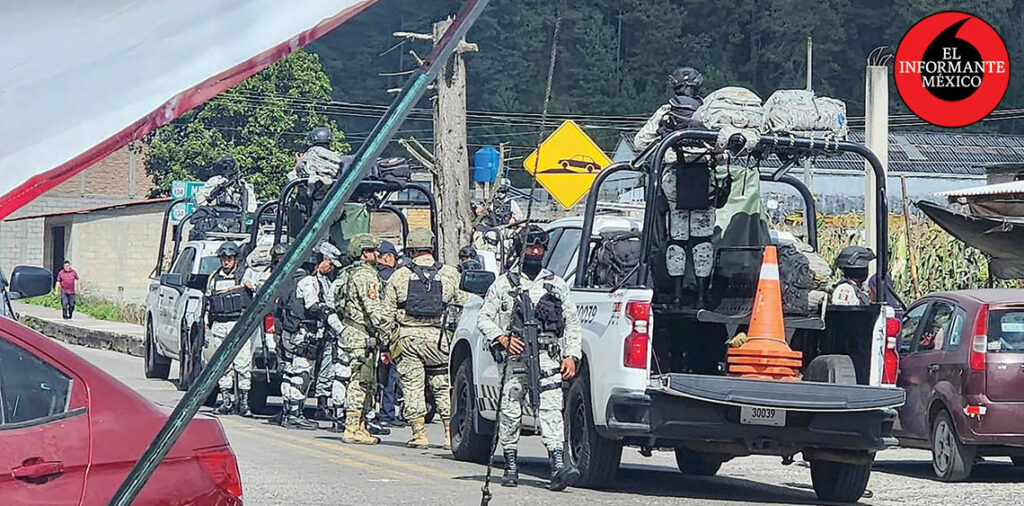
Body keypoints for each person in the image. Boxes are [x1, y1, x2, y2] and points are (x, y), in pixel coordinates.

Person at [476, 225, 582, 491]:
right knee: (510, 412)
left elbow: (572, 322)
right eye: (530, 248)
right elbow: (484, 318)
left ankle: (558, 465)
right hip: (515, 360)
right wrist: (502, 339)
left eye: (539, 248)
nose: (535, 252)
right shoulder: (504, 284)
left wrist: (571, 355)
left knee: (551, 410)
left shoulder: (556, 284)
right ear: (520, 251)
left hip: (547, 357)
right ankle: (510, 464)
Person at [633, 66, 715, 306]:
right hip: (703, 179)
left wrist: (663, 147)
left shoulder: (665, 111)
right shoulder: (710, 111)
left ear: (675, 87)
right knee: (702, 240)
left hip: (673, 178)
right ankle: (702, 296)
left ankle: (677, 296)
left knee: (676, 238)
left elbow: (640, 142)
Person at [381, 229, 467, 449]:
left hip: (408, 338)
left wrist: (385, 345)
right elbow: (464, 302)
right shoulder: (450, 274)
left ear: (411, 249)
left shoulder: (399, 276)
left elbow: (386, 315)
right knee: (443, 386)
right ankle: (449, 434)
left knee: (412, 386)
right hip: (440, 339)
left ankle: (419, 434)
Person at [276, 240, 346, 430]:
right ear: (318, 260)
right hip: (303, 333)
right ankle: (294, 414)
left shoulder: (291, 277)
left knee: (290, 372)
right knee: (301, 373)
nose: (331, 268)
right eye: (328, 263)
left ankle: (288, 412)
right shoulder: (308, 280)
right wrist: (331, 317)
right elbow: (313, 306)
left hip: (291, 331)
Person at [338, 233, 389, 445]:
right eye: (373, 250)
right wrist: (388, 332)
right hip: (361, 335)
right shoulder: (365, 276)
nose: (378, 254)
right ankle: (351, 427)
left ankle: (360, 425)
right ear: (364, 253)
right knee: (360, 380)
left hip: (358, 333)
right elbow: (373, 309)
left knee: (368, 381)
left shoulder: (351, 273)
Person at [204, 242, 254, 416]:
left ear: (236, 259)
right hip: (220, 325)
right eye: (223, 258)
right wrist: (206, 321)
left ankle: (244, 402)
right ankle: (226, 401)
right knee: (223, 364)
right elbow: (208, 301)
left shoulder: (245, 274)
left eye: (229, 258)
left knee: (242, 364)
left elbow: (258, 289)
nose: (226, 261)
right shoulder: (214, 277)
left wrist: (250, 286)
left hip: (238, 324)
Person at [374, 240, 403, 428]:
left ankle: (376, 412)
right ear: (388, 257)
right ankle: (387, 413)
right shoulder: (394, 278)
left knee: (376, 376)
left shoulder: (372, 276)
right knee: (391, 376)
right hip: (391, 332)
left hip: (372, 331)